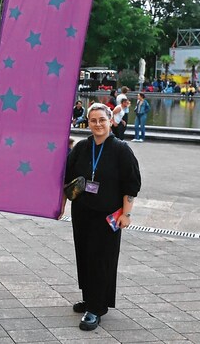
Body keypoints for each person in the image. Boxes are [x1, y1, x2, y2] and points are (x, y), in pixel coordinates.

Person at [63, 103, 141, 331]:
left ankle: (97, 308)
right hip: (83, 212)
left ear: (110, 122)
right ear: (88, 122)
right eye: (93, 120)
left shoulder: (121, 149)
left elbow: (131, 184)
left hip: (108, 216)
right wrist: (61, 207)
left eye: (102, 120)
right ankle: (90, 298)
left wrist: (126, 214)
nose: (98, 124)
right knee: (85, 256)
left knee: (101, 260)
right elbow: (67, 177)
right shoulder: (82, 147)